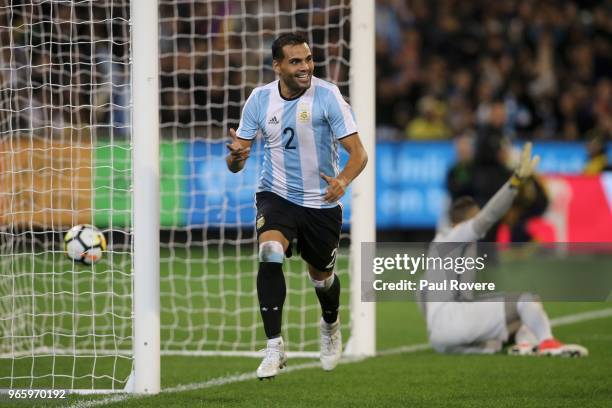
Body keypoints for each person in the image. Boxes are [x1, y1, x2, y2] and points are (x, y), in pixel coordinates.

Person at [225, 33, 368, 379]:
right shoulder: (259, 100)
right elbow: (235, 161)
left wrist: (342, 181)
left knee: (322, 278)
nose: (305, 67)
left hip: (321, 202)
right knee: (270, 251)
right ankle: (274, 347)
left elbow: (359, 154)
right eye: (295, 61)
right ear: (277, 66)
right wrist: (236, 158)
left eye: (307, 59)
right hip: (276, 195)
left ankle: (330, 326)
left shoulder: (328, 96)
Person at [418, 143, 588, 357]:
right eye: (474, 219)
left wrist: (438, 330)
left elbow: (421, 294)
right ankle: (548, 342)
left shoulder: (438, 244)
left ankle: (522, 346)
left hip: (439, 336)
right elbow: (489, 216)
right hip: (456, 322)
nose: (479, 228)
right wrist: (514, 183)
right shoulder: (459, 234)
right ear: (462, 222)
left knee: (514, 319)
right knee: (527, 300)